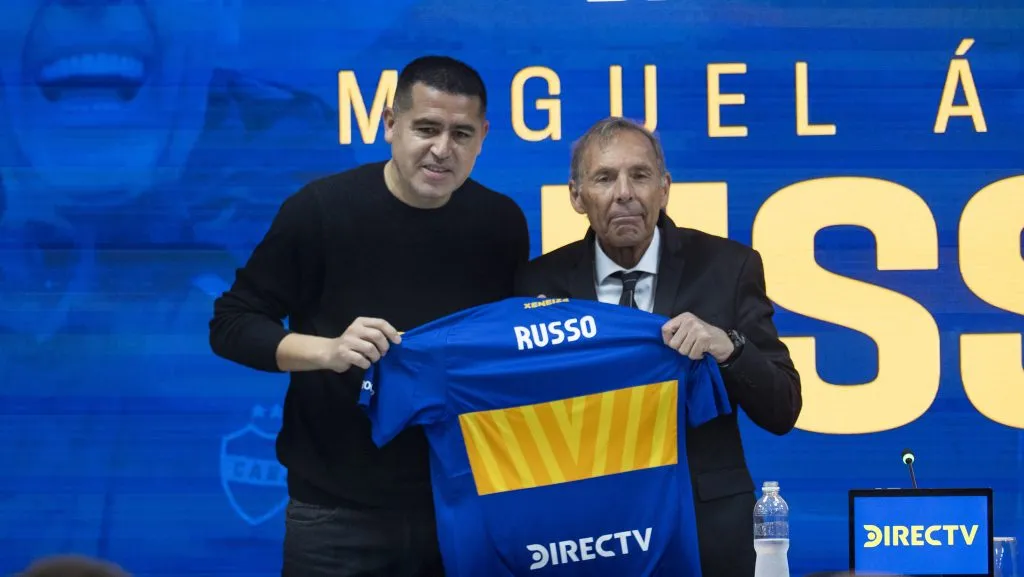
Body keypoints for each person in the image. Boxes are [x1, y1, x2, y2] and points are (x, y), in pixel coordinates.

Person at [209, 55, 530, 577]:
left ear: (484, 136)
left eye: (462, 134)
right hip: (335, 513)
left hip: (459, 504)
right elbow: (231, 323)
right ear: (389, 124)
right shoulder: (319, 210)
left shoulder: (501, 223)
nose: (442, 149)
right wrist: (327, 351)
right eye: (426, 128)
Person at [513, 117, 802, 577]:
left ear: (664, 188)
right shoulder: (536, 285)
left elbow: (783, 408)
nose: (625, 192)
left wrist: (728, 346)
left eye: (640, 175)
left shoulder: (728, 267)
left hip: (706, 528)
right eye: (605, 178)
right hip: (585, 531)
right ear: (576, 195)